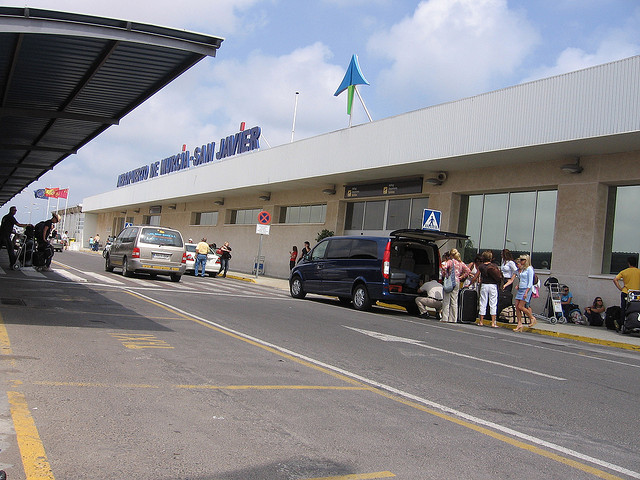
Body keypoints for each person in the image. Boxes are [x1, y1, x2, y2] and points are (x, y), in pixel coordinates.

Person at [504, 254, 537, 331]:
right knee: (517, 307)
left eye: (522, 260)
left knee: (521, 306)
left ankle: (532, 317)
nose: (521, 261)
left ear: (526, 260)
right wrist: (518, 285)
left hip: (526, 289)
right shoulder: (523, 269)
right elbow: (521, 279)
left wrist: (526, 292)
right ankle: (519, 324)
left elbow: (529, 282)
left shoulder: (529, 269)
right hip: (521, 288)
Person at [440, 248, 471, 323]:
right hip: (457, 281)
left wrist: (445, 273)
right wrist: (461, 277)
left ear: (451, 255)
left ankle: (445, 318)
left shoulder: (450, 261)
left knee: (446, 300)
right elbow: (468, 271)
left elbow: (444, 267)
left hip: (450, 281)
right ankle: (453, 318)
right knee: (454, 300)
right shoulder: (461, 263)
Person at [477, 251, 502, 328]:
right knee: (493, 302)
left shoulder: (481, 266)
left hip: (484, 284)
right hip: (493, 285)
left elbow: (479, 275)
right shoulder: (494, 266)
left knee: (483, 302)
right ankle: (493, 322)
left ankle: (481, 321)